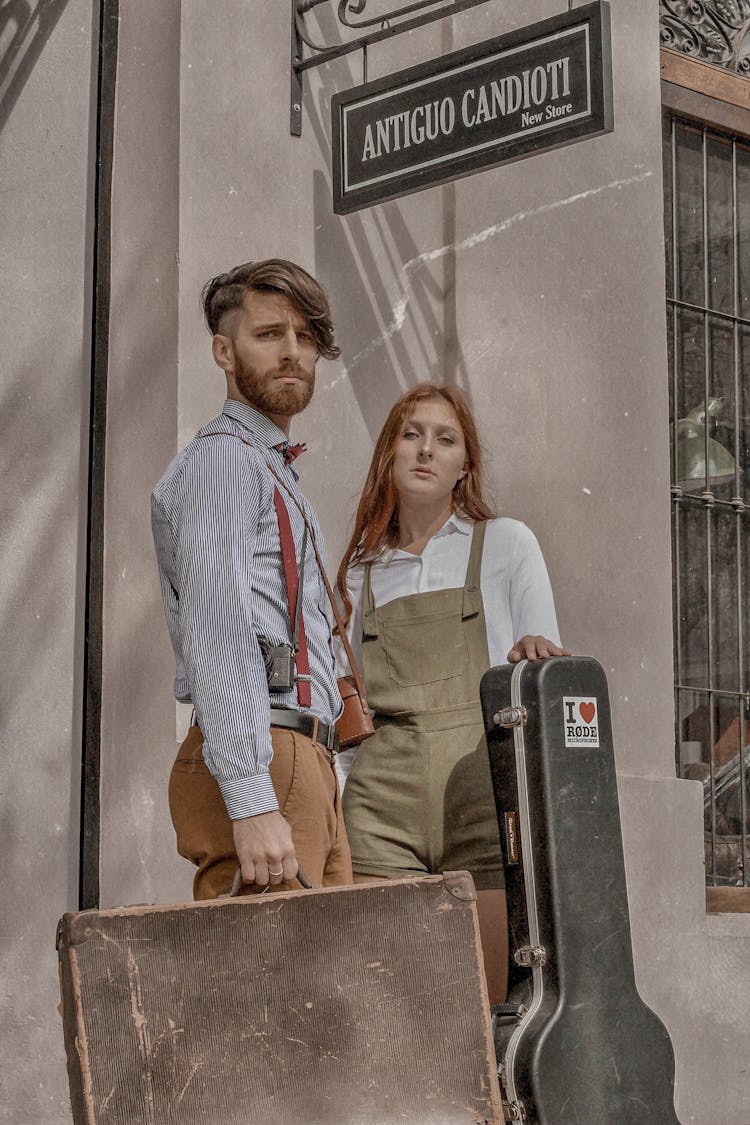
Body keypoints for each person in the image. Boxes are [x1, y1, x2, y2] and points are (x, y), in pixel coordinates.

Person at [335, 383, 568, 1003]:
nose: (425, 450)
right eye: (411, 434)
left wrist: (536, 656)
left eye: (445, 439)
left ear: (465, 465)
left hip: (479, 792)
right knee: (383, 1006)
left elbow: (542, 670)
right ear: (389, 452)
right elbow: (348, 709)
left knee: (485, 1003)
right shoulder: (360, 570)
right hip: (380, 803)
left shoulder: (507, 544)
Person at [151, 258, 352, 899]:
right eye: (268, 335)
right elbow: (218, 628)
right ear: (224, 351)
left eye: (305, 336)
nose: (292, 351)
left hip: (300, 760)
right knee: (270, 993)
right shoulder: (223, 462)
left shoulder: (272, 469)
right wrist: (250, 798)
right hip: (265, 754)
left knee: (320, 990)